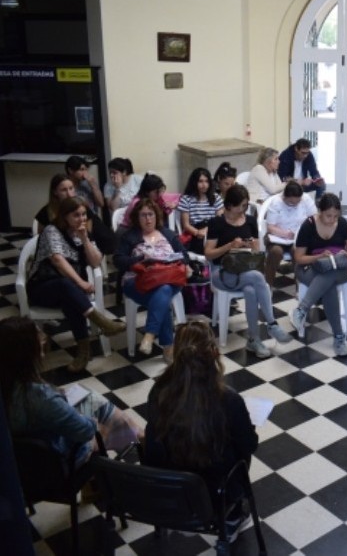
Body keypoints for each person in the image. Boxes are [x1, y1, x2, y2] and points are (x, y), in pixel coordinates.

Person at [144, 321, 257, 541]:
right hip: (217, 492)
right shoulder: (229, 400)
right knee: (240, 451)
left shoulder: (157, 391)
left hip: (170, 486)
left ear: (177, 353)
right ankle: (232, 516)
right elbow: (250, 445)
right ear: (214, 353)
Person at [0, 316, 143, 465]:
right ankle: (139, 454)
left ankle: (139, 439)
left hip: (19, 461)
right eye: (39, 343)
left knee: (91, 399)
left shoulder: (9, 386)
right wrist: (93, 422)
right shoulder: (40, 397)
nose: (43, 347)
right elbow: (85, 431)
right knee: (105, 421)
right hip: (58, 456)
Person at [27, 197, 126, 372]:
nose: (81, 219)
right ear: (65, 217)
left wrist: (85, 239)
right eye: (76, 215)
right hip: (42, 288)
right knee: (66, 286)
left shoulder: (82, 232)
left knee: (71, 300)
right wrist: (81, 282)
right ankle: (101, 322)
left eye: (83, 214)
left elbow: (95, 262)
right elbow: (58, 260)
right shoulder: (52, 230)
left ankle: (83, 352)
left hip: (69, 291)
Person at [205, 185, 292, 358]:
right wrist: (230, 246)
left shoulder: (250, 221)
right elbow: (208, 255)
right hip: (222, 272)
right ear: (230, 205)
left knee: (251, 290)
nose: (244, 209)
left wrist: (253, 247)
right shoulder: (216, 223)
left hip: (245, 269)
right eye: (242, 205)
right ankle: (272, 324)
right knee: (258, 277)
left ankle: (254, 339)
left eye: (246, 206)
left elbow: (257, 253)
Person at [114, 198, 190, 362]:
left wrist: (170, 259)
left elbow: (185, 255)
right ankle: (168, 346)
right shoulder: (130, 236)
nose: (148, 219)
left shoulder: (167, 234)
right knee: (163, 297)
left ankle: (149, 335)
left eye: (151, 214)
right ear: (137, 218)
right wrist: (140, 259)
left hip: (169, 278)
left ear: (157, 216)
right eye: (143, 215)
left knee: (162, 290)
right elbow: (118, 260)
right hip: (137, 282)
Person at [291, 193, 347, 357]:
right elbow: (299, 258)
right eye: (328, 215)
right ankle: (338, 336)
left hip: (340, 268)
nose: (332, 219)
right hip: (311, 268)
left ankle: (302, 309)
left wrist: (345, 255)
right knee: (328, 285)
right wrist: (318, 257)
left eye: (336, 216)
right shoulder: (308, 225)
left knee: (329, 277)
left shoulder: (343, 224)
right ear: (319, 211)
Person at [35, 173, 116, 255]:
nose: (69, 194)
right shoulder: (46, 212)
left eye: (71, 188)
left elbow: (88, 233)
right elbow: (41, 238)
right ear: (55, 192)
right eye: (64, 190)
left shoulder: (82, 207)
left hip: (85, 244)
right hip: (58, 249)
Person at [263, 180, 317, 287]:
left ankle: (300, 285)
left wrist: (304, 230)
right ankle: (268, 285)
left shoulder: (306, 199)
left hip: (298, 238)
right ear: (285, 197)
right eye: (291, 203)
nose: (295, 205)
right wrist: (285, 234)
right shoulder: (276, 202)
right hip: (277, 237)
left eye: (298, 202)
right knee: (276, 252)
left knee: (297, 251)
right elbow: (270, 227)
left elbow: (315, 217)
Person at [177, 167, 224, 255]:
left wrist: (207, 229)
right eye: (200, 181)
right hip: (195, 231)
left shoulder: (215, 197)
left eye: (206, 181)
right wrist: (197, 232)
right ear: (194, 182)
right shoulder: (186, 199)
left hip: (213, 228)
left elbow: (220, 219)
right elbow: (186, 225)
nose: (204, 185)